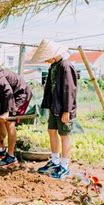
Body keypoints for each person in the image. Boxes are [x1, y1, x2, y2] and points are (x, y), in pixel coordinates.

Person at [32, 39, 77, 180]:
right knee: (51, 131)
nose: (46, 61)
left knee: (64, 135)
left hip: (64, 108)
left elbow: (70, 90)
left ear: (53, 54)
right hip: (54, 107)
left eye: (46, 58)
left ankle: (65, 166)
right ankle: (55, 161)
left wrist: (67, 111)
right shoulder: (54, 66)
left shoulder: (65, 66)